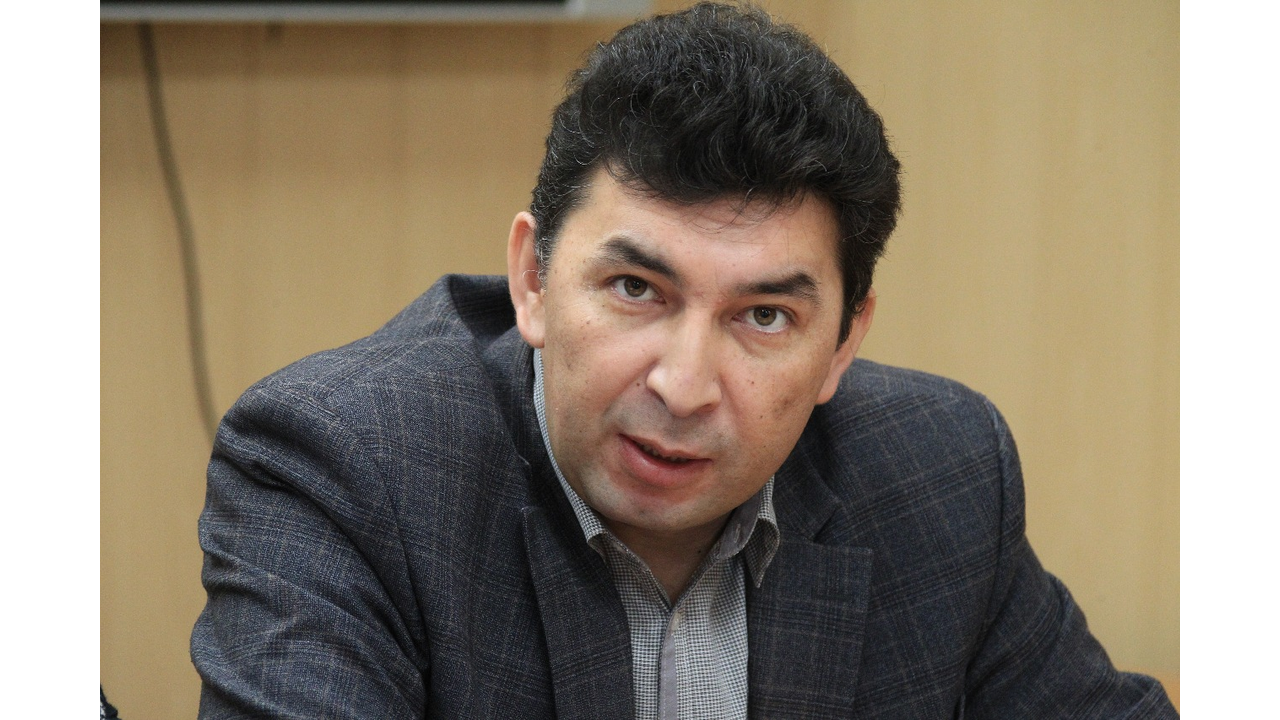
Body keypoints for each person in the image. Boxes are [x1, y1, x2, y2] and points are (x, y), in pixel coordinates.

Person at [191, 3, 1177, 717]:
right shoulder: (348, 468)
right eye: (635, 290)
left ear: (844, 342)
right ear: (532, 279)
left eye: (763, 316)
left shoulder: (938, 473)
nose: (683, 385)